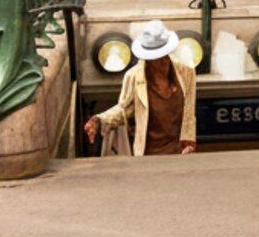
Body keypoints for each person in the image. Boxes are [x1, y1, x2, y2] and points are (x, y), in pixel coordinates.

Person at [83, 20, 197, 156]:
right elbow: (124, 109)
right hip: (148, 154)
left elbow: (189, 110)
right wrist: (100, 120)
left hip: (178, 153)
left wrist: (189, 140)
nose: (162, 62)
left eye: (164, 56)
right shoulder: (134, 77)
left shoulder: (186, 73)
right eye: (156, 58)